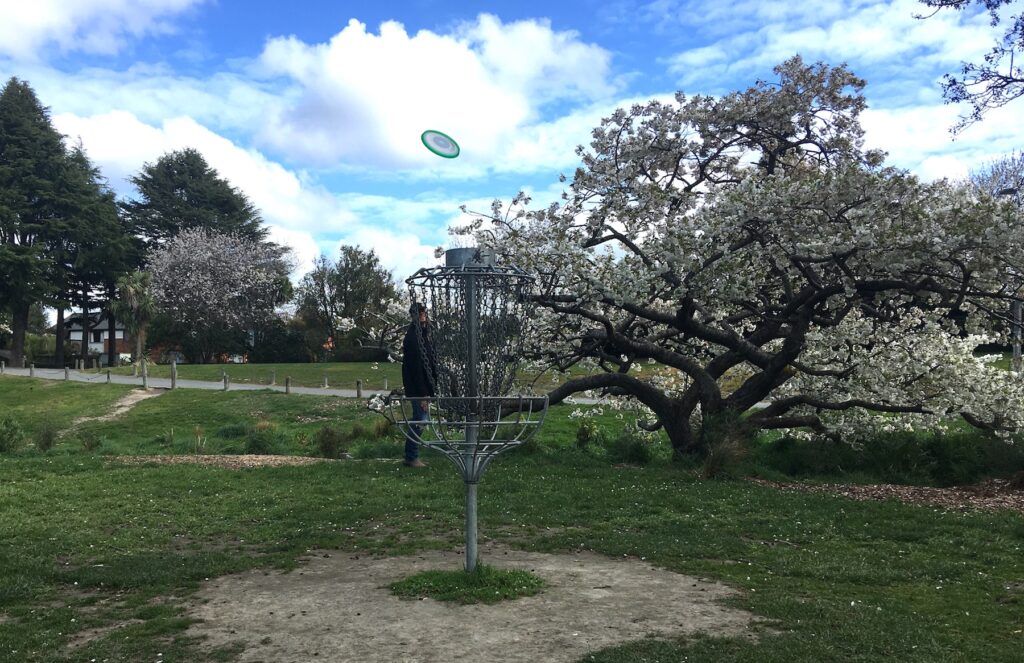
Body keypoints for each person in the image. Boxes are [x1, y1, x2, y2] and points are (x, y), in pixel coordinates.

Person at [401, 302, 436, 467]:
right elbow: (416, 368)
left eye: (424, 313)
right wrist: (423, 394)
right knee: (420, 420)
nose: (423, 316)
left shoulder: (423, 334)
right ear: (414, 316)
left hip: (422, 386)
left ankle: (411, 455)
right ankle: (411, 456)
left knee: (420, 419)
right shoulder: (413, 338)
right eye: (420, 313)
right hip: (417, 387)